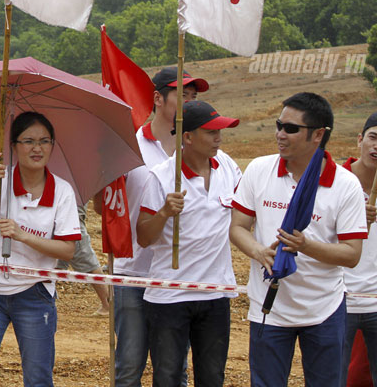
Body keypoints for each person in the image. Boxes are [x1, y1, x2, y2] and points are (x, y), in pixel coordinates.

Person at [230, 92, 367, 387]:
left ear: (318, 134)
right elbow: (238, 226)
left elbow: (352, 254)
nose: (280, 134)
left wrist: (306, 246)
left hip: (324, 309)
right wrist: (258, 251)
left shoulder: (345, 185)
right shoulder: (258, 169)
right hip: (269, 307)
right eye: (279, 125)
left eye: (290, 128)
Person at [102, 66, 208, 387]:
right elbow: (104, 207)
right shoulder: (129, 145)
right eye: (182, 95)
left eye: (194, 96)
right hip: (132, 272)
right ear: (158, 98)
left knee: (175, 370)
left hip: (177, 276)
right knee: (129, 366)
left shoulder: (195, 150)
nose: (189, 102)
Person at [0, 111, 80, 387]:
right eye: (28, 141)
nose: (37, 148)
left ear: (52, 145)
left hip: (35, 292)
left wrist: (23, 236)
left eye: (44, 141)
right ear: (13, 146)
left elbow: (67, 250)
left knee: (38, 379)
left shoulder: (62, 191)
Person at [136, 101, 242, 387]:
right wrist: (164, 213)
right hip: (170, 296)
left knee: (212, 377)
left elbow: (247, 213)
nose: (218, 138)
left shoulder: (229, 167)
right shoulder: (162, 176)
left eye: (220, 131)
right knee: (168, 377)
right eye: (211, 132)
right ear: (188, 137)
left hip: (216, 293)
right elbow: (143, 237)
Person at [341, 113, 377, 387]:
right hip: (338, 300)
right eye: (373, 138)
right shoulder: (337, 182)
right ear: (360, 140)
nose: (376, 147)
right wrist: (351, 221)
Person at [55, 195, 110, 316]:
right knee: (54, 262)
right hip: (63, 216)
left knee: (86, 260)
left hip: (70, 218)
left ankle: (108, 304)